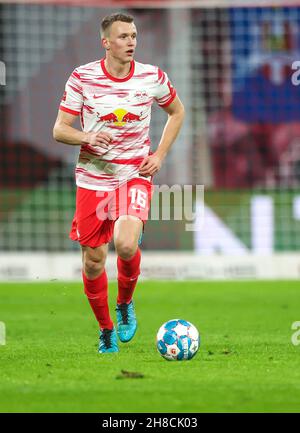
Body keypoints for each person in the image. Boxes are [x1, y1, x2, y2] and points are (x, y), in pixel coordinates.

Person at [53, 12, 185, 354]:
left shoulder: (151, 77)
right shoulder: (82, 78)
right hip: (92, 179)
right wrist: (87, 136)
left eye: (134, 36)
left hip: (134, 175)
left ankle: (125, 303)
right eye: (123, 37)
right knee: (94, 261)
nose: (131, 42)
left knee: (126, 245)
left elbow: (177, 112)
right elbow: (60, 129)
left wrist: (159, 154)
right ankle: (105, 329)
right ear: (106, 43)